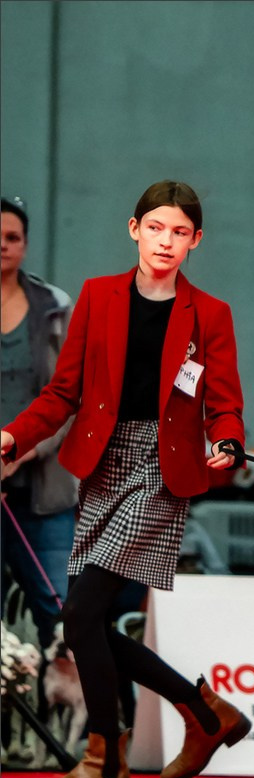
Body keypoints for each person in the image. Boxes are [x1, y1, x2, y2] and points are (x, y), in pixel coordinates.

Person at [1, 180, 251, 778]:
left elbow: (225, 404)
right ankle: (198, 712)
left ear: (196, 242)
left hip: (162, 470)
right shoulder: (97, 296)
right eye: (157, 228)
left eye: (181, 232)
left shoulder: (210, 313)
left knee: (81, 612)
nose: (167, 241)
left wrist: (228, 439)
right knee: (83, 621)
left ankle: (106, 755)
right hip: (101, 464)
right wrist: (11, 437)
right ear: (134, 228)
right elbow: (63, 394)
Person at [1, 195, 77, 656]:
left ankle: (89, 726)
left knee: (63, 617)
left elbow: (70, 399)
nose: (3, 247)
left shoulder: (54, 307)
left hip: (43, 492)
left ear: (26, 246)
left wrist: (20, 450)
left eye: (12, 238)